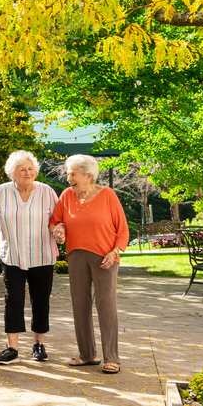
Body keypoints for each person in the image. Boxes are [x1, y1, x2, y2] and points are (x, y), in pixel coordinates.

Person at [49, 154, 129, 374]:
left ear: (89, 176)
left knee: (106, 305)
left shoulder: (108, 195)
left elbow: (122, 230)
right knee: (80, 305)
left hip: (105, 257)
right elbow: (55, 221)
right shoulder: (66, 196)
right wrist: (58, 230)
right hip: (76, 256)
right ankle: (87, 355)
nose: (68, 179)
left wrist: (114, 253)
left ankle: (112, 357)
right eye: (68, 174)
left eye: (73, 174)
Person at [0, 151, 59, 365]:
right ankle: (12, 348)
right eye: (22, 169)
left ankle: (38, 345)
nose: (27, 172)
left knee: (40, 301)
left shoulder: (46, 191)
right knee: (13, 301)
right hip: (12, 256)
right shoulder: (2, 191)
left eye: (30, 168)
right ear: (12, 173)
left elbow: (58, 219)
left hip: (42, 255)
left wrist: (59, 231)